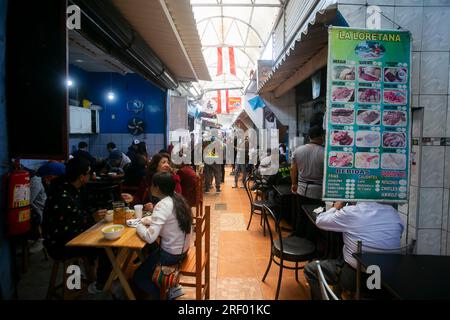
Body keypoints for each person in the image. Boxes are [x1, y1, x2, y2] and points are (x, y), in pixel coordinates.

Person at [304, 201, 404, 300]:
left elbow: (320, 221)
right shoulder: (393, 212)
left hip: (358, 278)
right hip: (388, 281)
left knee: (310, 270)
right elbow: (399, 233)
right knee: (344, 256)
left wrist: (335, 207)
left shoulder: (351, 212)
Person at [42, 157, 111, 293]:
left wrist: (94, 215)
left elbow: (81, 213)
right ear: (81, 177)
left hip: (69, 236)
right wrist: (92, 218)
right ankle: (100, 284)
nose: (91, 175)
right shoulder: (63, 195)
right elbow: (68, 228)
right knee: (105, 245)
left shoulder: (72, 187)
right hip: (60, 244)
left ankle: (89, 277)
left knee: (103, 236)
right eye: (89, 172)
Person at [132, 172, 192, 299]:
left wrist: (137, 224)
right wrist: (146, 221)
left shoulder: (162, 204)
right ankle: (169, 288)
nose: (150, 187)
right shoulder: (177, 198)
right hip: (183, 250)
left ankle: (163, 296)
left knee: (138, 276)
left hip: (171, 255)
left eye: (152, 185)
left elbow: (150, 238)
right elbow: (169, 220)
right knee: (149, 258)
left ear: (157, 188)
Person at [290, 125, 325, 237]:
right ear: (322, 137)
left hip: (301, 188)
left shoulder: (298, 150)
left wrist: (294, 183)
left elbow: (293, 169)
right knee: (315, 216)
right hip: (317, 191)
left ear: (309, 136)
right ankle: (311, 242)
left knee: (301, 215)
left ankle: (299, 237)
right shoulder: (325, 153)